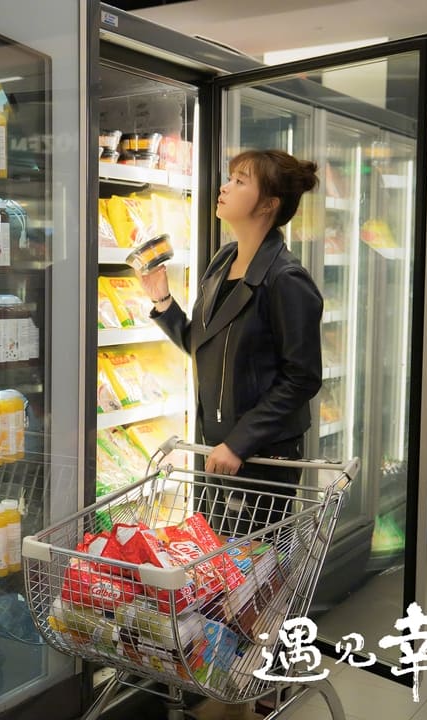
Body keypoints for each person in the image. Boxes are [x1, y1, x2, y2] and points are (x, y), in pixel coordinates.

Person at [142, 149, 323, 540]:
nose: (224, 188)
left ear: (269, 204)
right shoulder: (224, 260)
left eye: (240, 181)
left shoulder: (286, 278)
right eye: (230, 178)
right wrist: (163, 302)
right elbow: (202, 343)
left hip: (262, 454)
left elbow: (303, 377)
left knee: (256, 563)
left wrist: (239, 442)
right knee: (224, 562)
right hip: (218, 447)